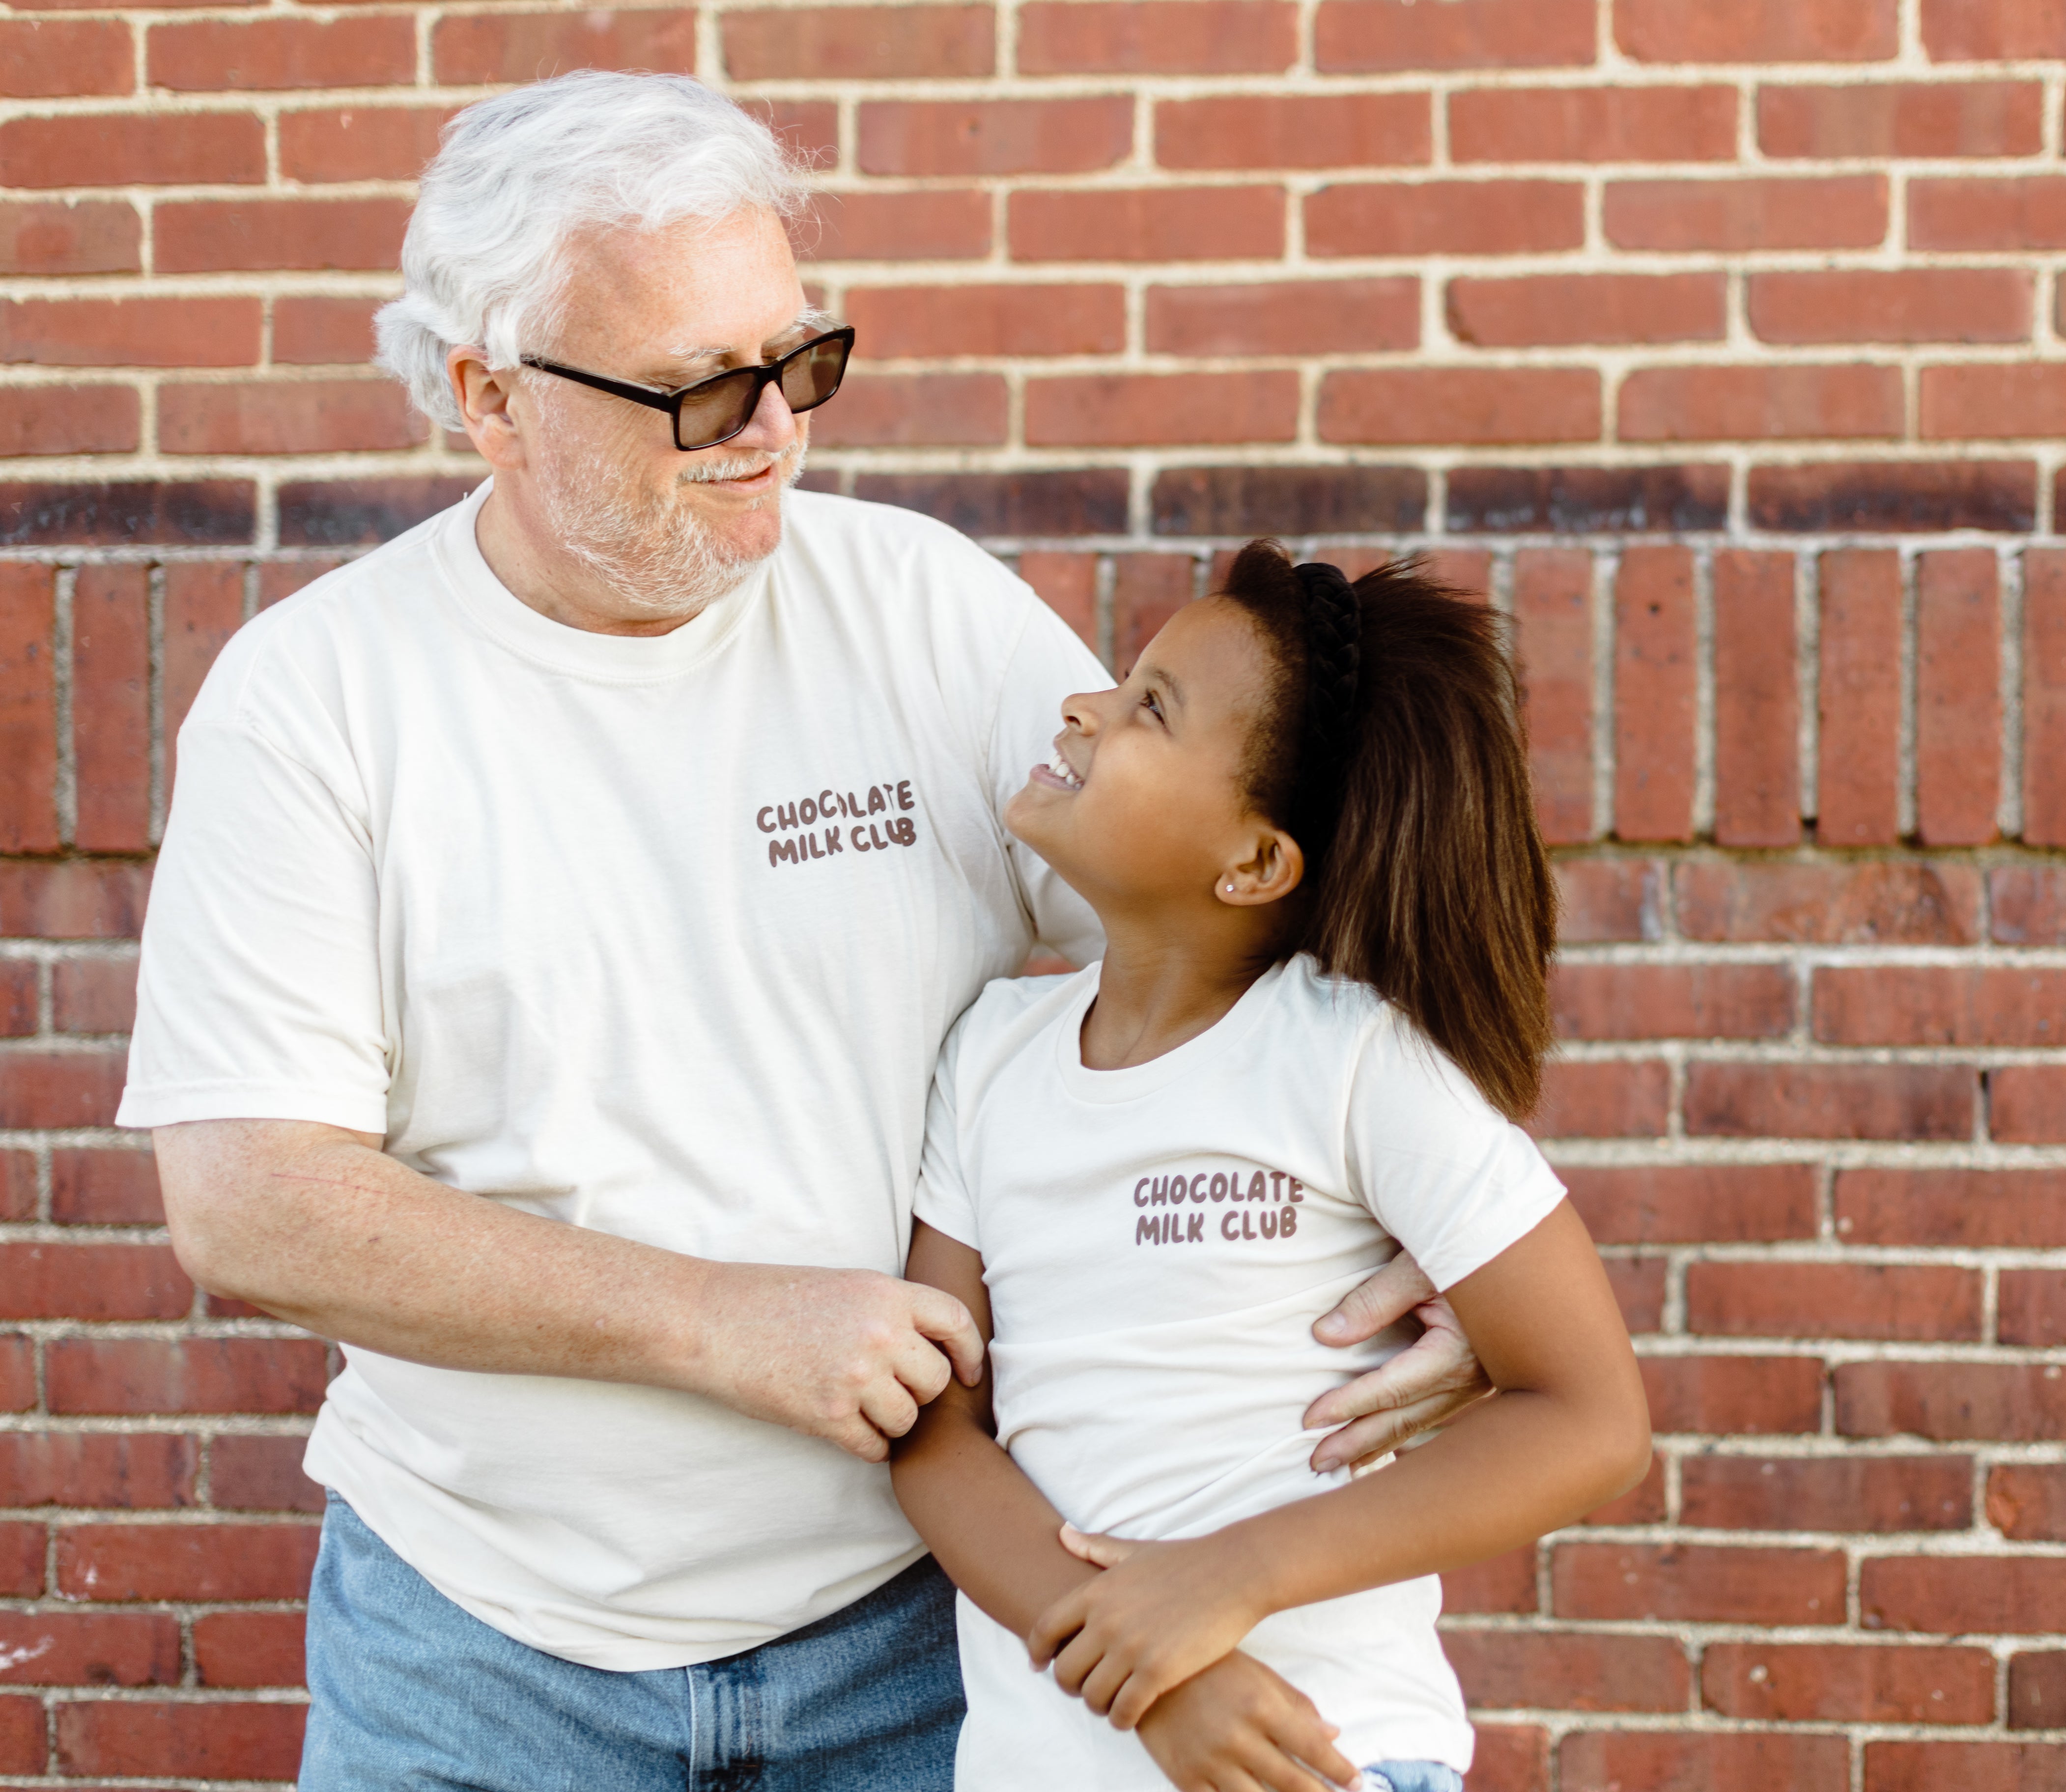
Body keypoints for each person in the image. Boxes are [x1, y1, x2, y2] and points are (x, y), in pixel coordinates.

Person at [116, 72, 1486, 1787]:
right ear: (490, 396)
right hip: (477, 1652)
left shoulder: (918, 606)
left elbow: (1263, 908)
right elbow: (250, 1199)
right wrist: (724, 1318)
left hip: (929, 1632)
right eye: (701, 388)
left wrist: (1443, 1208)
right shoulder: (316, 699)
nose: (776, 426)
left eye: (801, 358)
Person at [891, 542, 1653, 1792]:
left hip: (1329, 1756)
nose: (1081, 708)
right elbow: (933, 1433)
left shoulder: (1352, 1061)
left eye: (1150, 707)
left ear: (1253, 863)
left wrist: (1234, 1577)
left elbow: (1591, 1416)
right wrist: (1158, 1676)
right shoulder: (988, 1059)